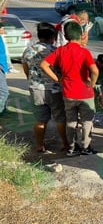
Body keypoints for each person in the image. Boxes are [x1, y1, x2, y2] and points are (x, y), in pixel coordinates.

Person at [40, 21, 99, 156]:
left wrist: (57, 79)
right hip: (85, 94)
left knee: (71, 122)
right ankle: (85, 147)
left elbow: (44, 64)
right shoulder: (84, 52)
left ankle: (72, 148)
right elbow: (94, 70)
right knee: (86, 121)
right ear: (80, 35)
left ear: (65, 36)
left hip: (68, 93)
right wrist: (92, 83)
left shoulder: (60, 51)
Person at [21, 22, 69, 153]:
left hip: (36, 89)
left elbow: (26, 70)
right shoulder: (55, 51)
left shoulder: (28, 51)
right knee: (60, 118)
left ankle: (40, 145)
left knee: (40, 120)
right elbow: (63, 70)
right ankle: (65, 144)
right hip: (55, 90)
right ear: (52, 37)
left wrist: (33, 81)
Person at [0, 23, 9, 115]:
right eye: (2, 28)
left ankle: (3, 109)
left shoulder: (1, 38)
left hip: (2, 66)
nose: (4, 29)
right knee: (4, 92)